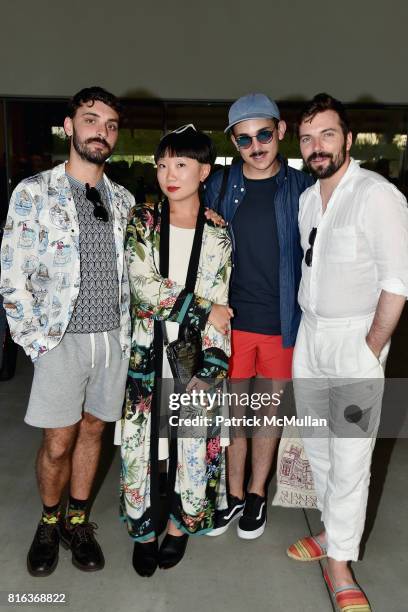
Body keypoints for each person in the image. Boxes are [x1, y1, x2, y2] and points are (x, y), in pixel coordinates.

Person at [0, 86, 134, 576]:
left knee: (95, 430)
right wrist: (36, 344)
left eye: (111, 125)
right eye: (92, 120)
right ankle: (48, 520)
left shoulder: (122, 198)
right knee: (59, 441)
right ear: (69, 126)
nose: (102, 131)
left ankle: (78, 521)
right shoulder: (34, 192)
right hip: (60, 340)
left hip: (113, 339)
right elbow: (12, 275)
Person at [287, 93, 408, 611]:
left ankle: (339, 563)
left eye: (327, 135)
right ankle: (329, 532)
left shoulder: (377, 195)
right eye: (308, 138)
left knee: (352, 454)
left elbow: (397, 284)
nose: (317, 147)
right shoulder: (308, 198)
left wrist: (369, 349)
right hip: (310, 337)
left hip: (354, 341)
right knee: (316, 446)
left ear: (348, 140)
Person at [118, 125, 232, 576]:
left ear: (204, 171)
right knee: (139, 445)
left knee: (192, 444)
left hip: (194, 358)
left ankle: (181, 527)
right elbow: (145, 289)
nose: (169, 173)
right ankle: (144, 531)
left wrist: (213, 365)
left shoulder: (219, 234)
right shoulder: (143, 222)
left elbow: (223, 304)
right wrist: (204, 310)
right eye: (163, 164)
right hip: (148, 353)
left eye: (181, 164)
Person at [203, 93, 314, 539]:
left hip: (282, 324)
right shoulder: (220, 184)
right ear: (234, 142)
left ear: (281, 131)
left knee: (267, 415)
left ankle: (255, 493)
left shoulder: (303, 188)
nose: (256, 145)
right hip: (229, 322)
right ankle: (231, 495)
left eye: (264, 133)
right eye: (245, 138)